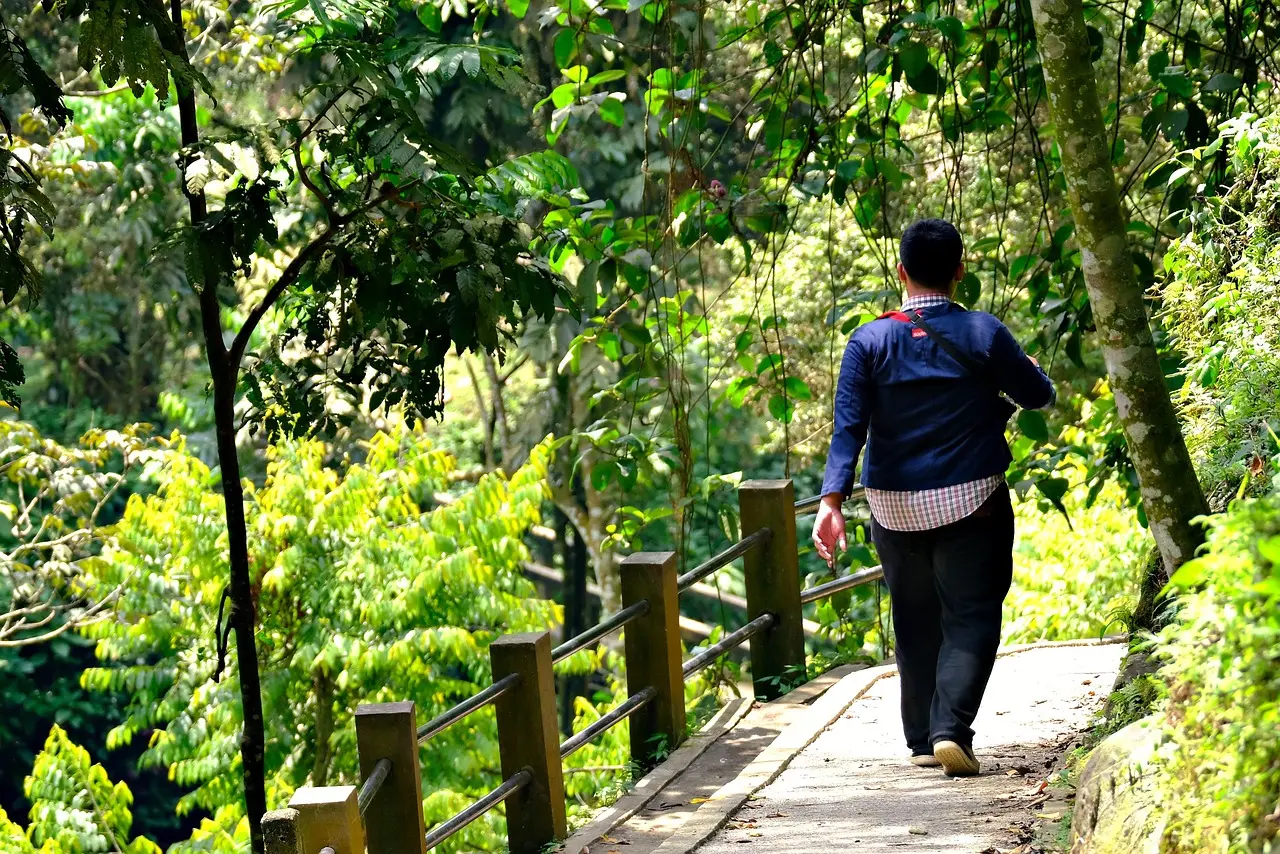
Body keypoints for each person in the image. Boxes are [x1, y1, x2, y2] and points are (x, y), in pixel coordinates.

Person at [812, 219, 1055, 777]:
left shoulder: (868, 341)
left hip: (893, 507)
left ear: (901, 272)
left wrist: (831, 501)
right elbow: (1037, 396)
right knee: (971, 615)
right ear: (959, 271)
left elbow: (848, 428)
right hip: (972, 499)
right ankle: (951, 731)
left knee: (914, 617)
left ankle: (923, 740)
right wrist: (1032, 372)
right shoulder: (983, 332)